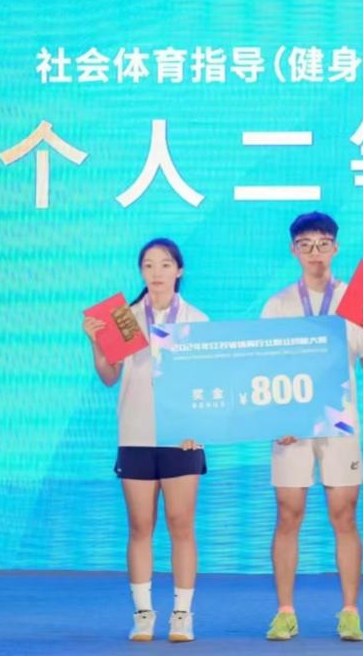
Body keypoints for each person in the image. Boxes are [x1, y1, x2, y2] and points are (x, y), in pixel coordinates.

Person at [261, 212, 363, 643]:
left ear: (336, 247)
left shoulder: (358, 300)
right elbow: (264, 368)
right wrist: (277, 419)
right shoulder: (278, 304)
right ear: (293, 250)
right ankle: (285, 612)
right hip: (292, 425)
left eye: (323, 243)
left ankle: (350, 612)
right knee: (288, 514)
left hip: (340, 422)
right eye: (306, 244)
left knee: (344, 514)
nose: (315, 252)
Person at [83, 237, 208, 643]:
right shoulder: (124, 319)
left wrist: (197, 429)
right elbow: (109, 376)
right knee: (140, 527)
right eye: (149, 265)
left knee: (181, 525)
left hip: (181, 439)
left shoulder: (197, 320)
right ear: (141, 271)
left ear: (179, 270)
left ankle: (182, 614)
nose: (157, 272)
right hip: (136, 434)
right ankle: (143, 613)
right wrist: (96, 344)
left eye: (165, 264)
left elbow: (208, 384)